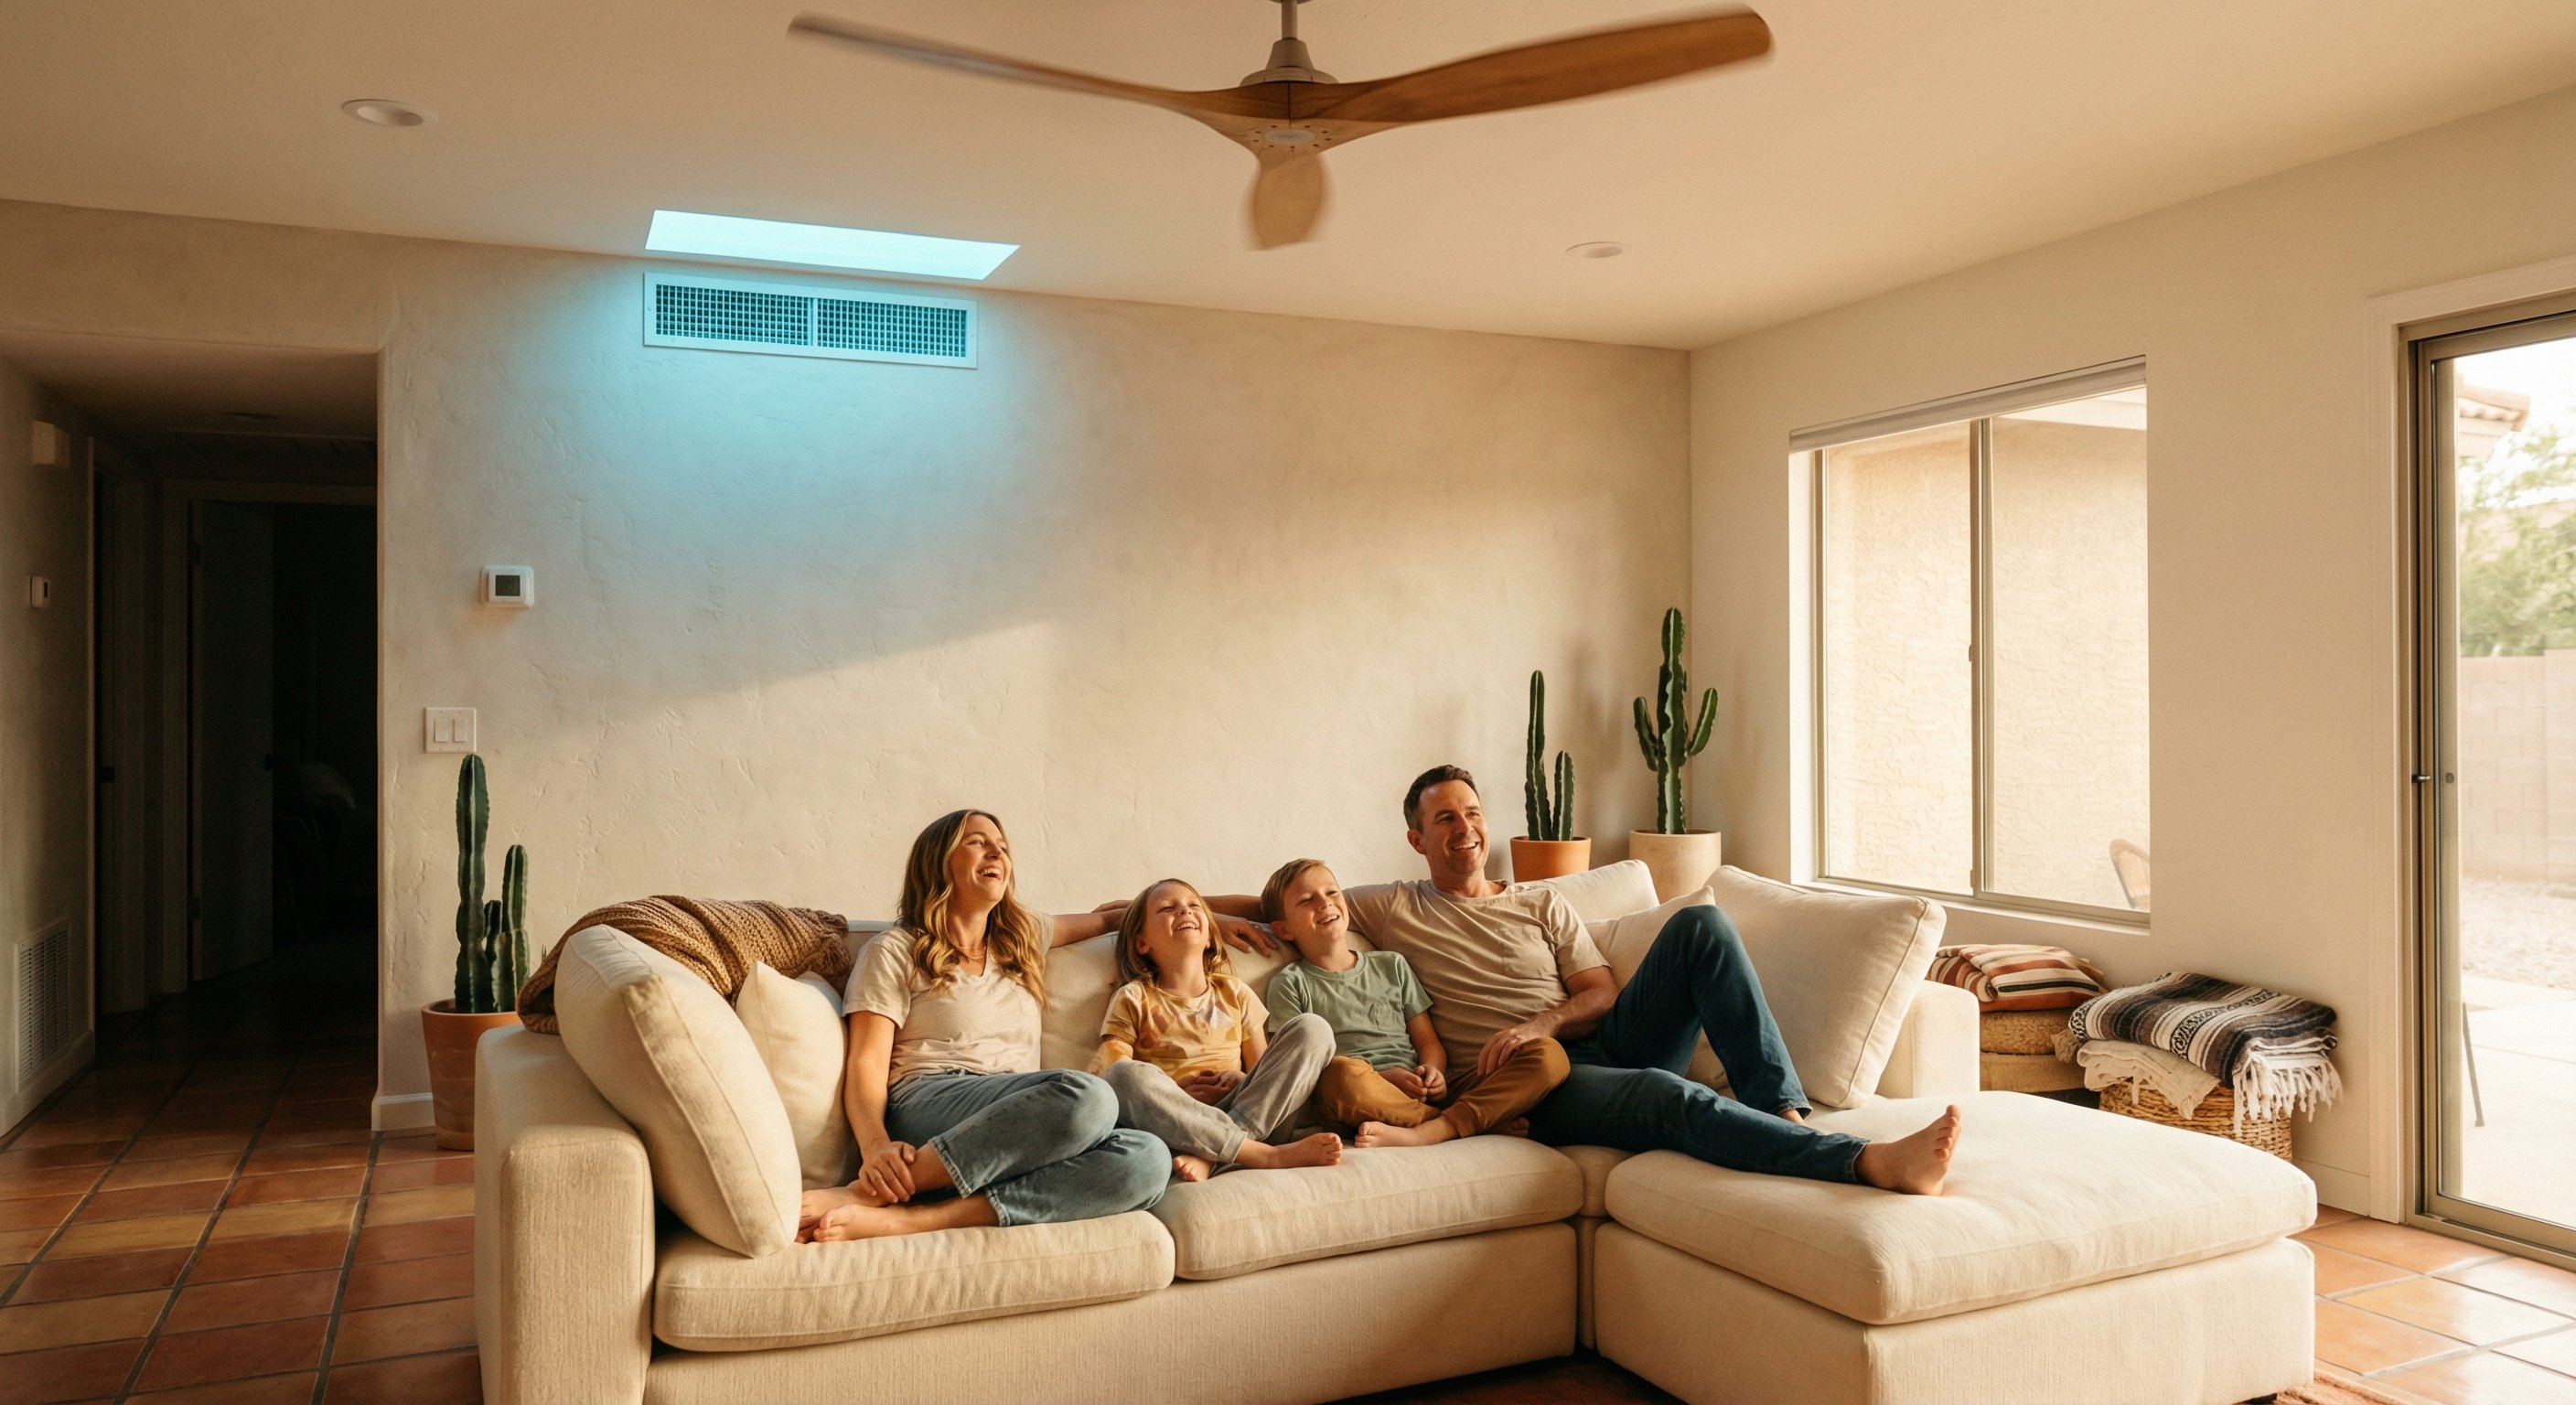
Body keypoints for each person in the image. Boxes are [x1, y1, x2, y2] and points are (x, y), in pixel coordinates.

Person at [1208, 767, 1961, 1195]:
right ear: (1417, 837)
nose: (1463, 828)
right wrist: (1202, 915)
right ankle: (1862, 1162)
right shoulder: (1396, 906)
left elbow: (1600, 992)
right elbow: (1296, 900)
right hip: (1530, 1088)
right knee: (1665, 1097)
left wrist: (1542, 1023)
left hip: (1588, 1043)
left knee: (1702, 927)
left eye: (1471, 812)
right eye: (1443, 819)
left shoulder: (1541, 899)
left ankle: (1783, 1114)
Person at [800, 810, 1172, 1241]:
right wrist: (876, 1148)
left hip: (1018, 1118)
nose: (997, 850)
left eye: (1003, 846)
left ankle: (914, 1216)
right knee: (1089, 1098)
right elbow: (866, 1062)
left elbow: (1122, 917)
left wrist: (1229, 919)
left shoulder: (1022, 937)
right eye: (977, 841)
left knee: (1148, 1158)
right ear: (938, 861)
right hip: (929, 1100)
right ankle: (881, 1186)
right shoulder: (896, 949)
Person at [1260, 857, 1569, 1149]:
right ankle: (1464, 1122)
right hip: (1358, 1096)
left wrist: (1432, 1072)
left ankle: (1440, 1126)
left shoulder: (1391, 965)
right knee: (1339, 1074)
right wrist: (1384, 1079)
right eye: (1306, 900)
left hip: (1421, 1090)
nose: (1324, 902)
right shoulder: (1290, 984)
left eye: (1331, 892)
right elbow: (1292, 1070)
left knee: (1548, 1053)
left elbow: (1429, 1043)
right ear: (1283, 929)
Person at [1094, 878, 1344, 1181]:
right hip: (1180, 1123)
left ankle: (1216, 1154)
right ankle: (1259, 1154)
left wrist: (1241, 1077)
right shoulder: (1133, 997)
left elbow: (1263, 1071)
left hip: (1250, 1112)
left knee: (1312, 1028)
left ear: (1211, 936)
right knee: (1124, 1075)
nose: (1184, 912)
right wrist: (1175, 1092)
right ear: (1142, 942)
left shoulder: (1234, 992)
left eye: (1193, 906)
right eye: (1167, 908)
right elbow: (1112, 1074)